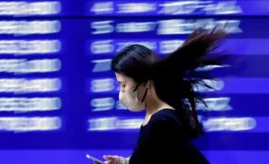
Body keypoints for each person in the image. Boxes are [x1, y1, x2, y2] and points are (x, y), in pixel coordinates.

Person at [96, 25, 227, 164]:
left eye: (124, 85)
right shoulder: (155, 117)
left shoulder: (162, 121)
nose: (122, 92)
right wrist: (123, 162)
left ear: (146, 83)